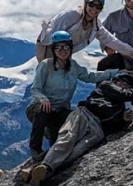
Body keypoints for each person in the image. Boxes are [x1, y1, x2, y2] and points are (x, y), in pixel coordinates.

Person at [24, 72, 133, 186]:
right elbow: (124, 94)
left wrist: (125, 120)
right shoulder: (107, 86)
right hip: (85, 113)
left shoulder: (122, 106)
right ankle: (45, 167)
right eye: (121, 82)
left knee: (76, 151)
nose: (123, 85)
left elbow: (116, 128)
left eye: (127, 85)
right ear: (115, 81)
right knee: (68, 138)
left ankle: (38, 171)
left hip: (98, 129)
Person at [27, 31, 121, 161]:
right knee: (44, 111)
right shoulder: (45, 65)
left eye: (66, 47)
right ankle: (35, 149)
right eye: (58, 47)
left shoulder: (73, 66)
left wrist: (115, 73)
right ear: (53, 49)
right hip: (39, 108)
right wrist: (43, 99)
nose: (62, 50)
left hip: (59, 110)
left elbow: (90, 77)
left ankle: (52, 155)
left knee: (74, 120)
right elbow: (35, 89)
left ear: (70, 48)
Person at [36, 0, 133, 67]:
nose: (94, 9)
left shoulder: (96, 26)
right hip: (46, 46)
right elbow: (49, 36)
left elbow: (114, 42)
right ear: (85, 3)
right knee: (47, 78)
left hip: (64, 52)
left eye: (98, 6)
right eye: (91, 4)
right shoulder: (71, 15)